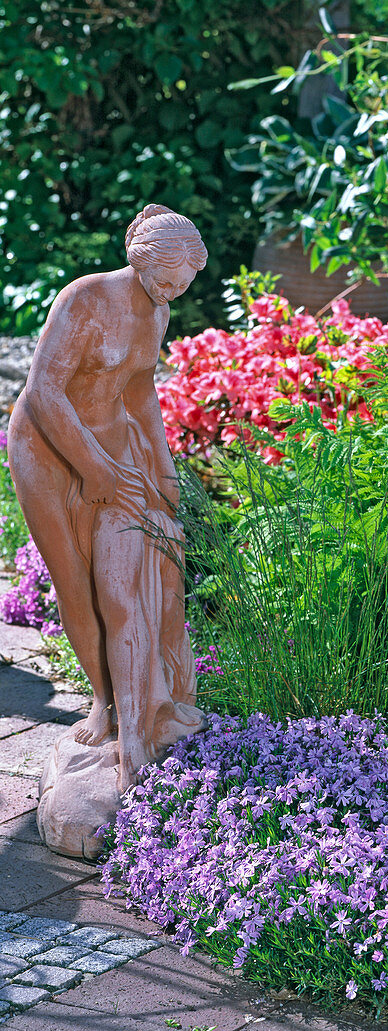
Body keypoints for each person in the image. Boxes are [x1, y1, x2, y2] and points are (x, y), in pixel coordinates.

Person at [8, 203, 207, 791]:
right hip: (47, 451)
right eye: (167, 278)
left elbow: (141, 392)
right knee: (75, 583)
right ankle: (103, 701)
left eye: (184, 284)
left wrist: (164, 469)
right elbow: (44, 390)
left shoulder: (157, 312)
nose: (173, 292)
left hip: (111, 449)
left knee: (116, 580)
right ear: (140, 259)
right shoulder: (85, 300)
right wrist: (92, 466)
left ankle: (141, 709)